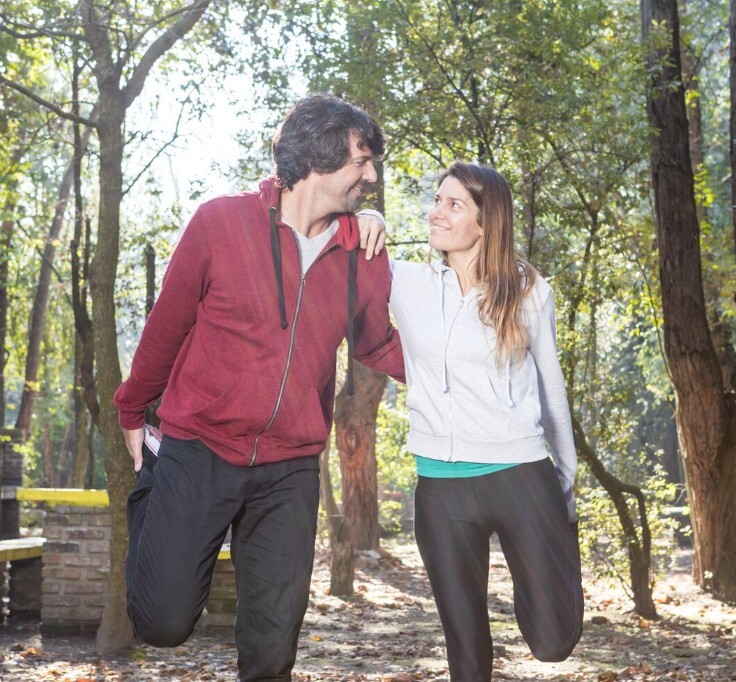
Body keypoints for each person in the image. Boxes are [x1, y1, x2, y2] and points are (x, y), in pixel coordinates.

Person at [114, 94, 404, 682]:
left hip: (290, 465)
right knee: (161, 622)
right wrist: (131, 410)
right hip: (199, 446)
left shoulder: (362, 256)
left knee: (273, 650)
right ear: (318, 162)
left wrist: (465, 366)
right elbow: (168, 325)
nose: (372, 177)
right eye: (362, 162)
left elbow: (378, 345)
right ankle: (156, 489)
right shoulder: (221, 223)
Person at [387, 161, 583, 681]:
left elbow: (550, 384)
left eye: (454, 204)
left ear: (485, 220)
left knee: (553, 641)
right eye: (436, 200)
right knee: (466, 656)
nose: (436, 213)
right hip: (440, 488)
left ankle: (561, 549)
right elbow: (341, 250)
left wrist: (564, 482)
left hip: (519, 475)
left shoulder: (526, 289)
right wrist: (364, 212)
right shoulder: (403, 282)